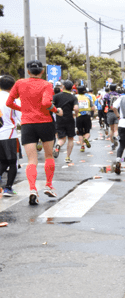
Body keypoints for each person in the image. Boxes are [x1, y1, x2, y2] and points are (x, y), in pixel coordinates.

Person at [6, 60, 61, 204]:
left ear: (28, 71)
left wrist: (23, 109)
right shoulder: (46, 85)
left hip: (28, 124)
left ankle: (32, 189)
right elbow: (46, 103)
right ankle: (48, 185)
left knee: (32, 160)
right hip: (45, 123)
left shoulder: (19, 83)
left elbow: (9, 103)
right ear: (42, 72)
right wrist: (56, 110)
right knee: (49, 156)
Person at [0, 75, 20, 196]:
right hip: (9, 134)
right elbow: (21, 118)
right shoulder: (13, 99)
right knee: (12, 162)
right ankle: (8, 188)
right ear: (13, 86)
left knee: (2, 161)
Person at [51, 80, 79, 164]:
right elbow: (76, 108)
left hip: (59, 119)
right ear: (71, 88)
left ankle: (58, 145)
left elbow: (50, 105)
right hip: (70, 119)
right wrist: (76, 115)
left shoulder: (56, 96)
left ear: (63, 87)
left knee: (61, 138)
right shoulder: (73, 97)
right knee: (70, 138)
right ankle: (67, 157)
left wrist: (56, 112)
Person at [75, 84, 95, 152]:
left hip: (78, 116)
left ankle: (82, 146)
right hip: (87, 116)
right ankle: (86, 138)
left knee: (80, 133)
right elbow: (92, 108)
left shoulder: (75, 98)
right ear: (84, 91)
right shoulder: (88, 98)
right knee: (87, 132)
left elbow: (74, 108)